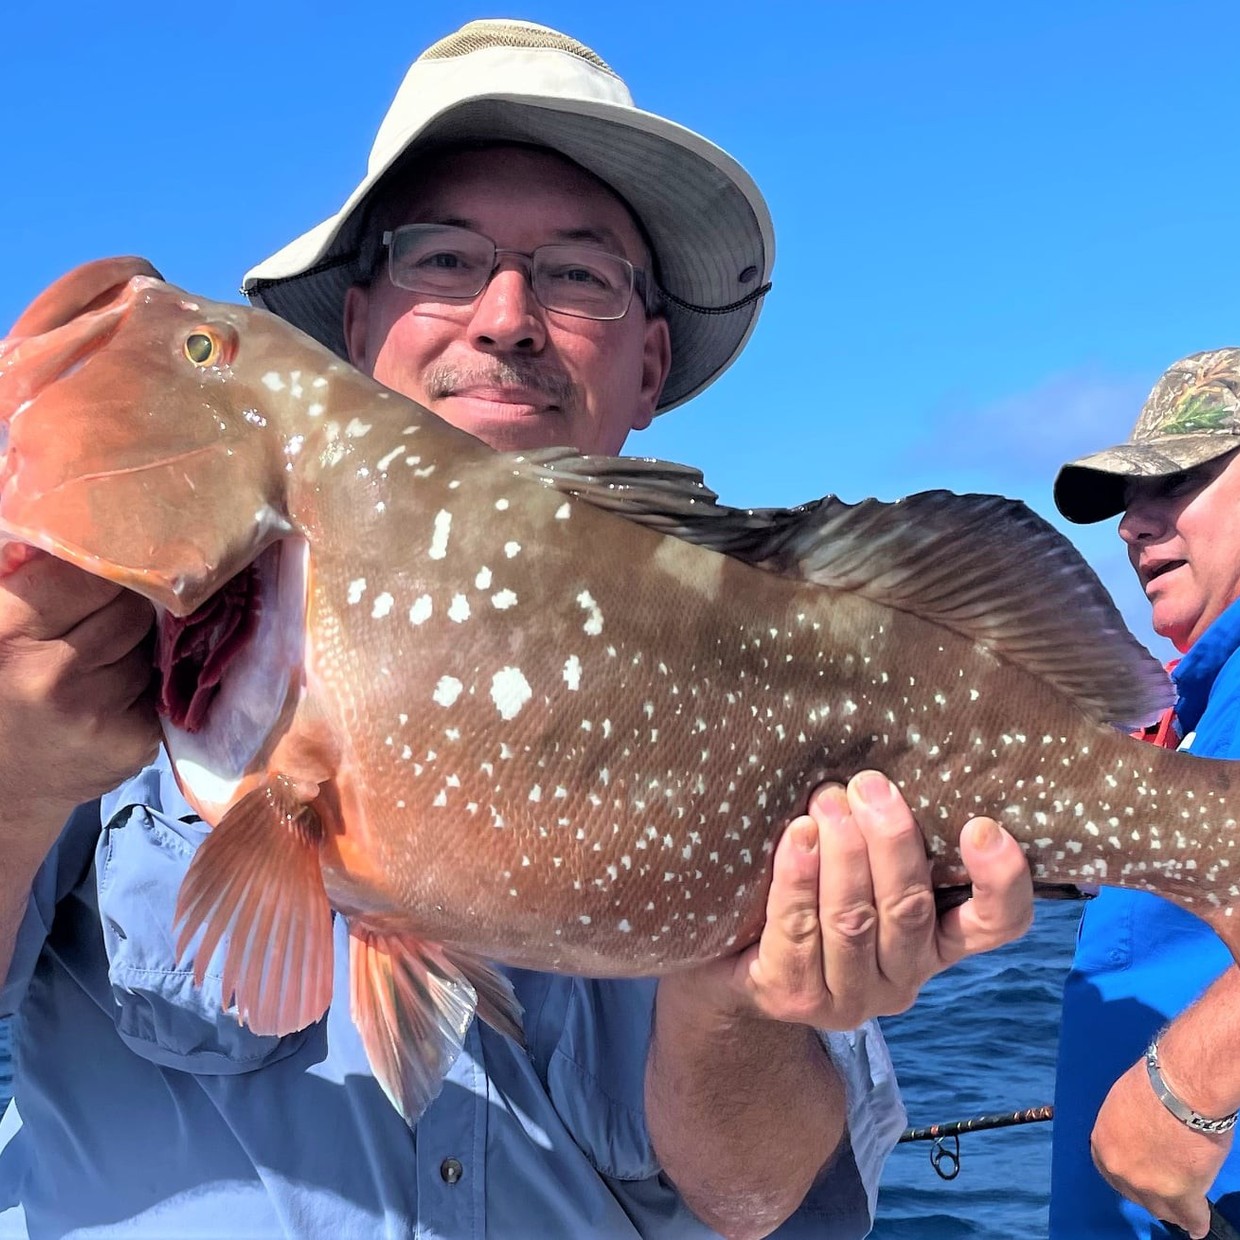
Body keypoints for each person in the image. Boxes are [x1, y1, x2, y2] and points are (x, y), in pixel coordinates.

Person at [0, 19, 1034, 1238]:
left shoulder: (778, 641)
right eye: (442, 259)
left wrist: (733, 1002)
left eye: (578, 274)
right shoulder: (80, 642)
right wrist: (15, 777)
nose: (504, 317)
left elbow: (775, 1210)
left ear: (649, 365)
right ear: (356, 322)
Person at [1051, 347, 1240, 1239]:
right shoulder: (1197, 709)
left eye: (1181, 479)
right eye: (1130, 504)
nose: (1135, 524)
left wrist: (1192, 1085)